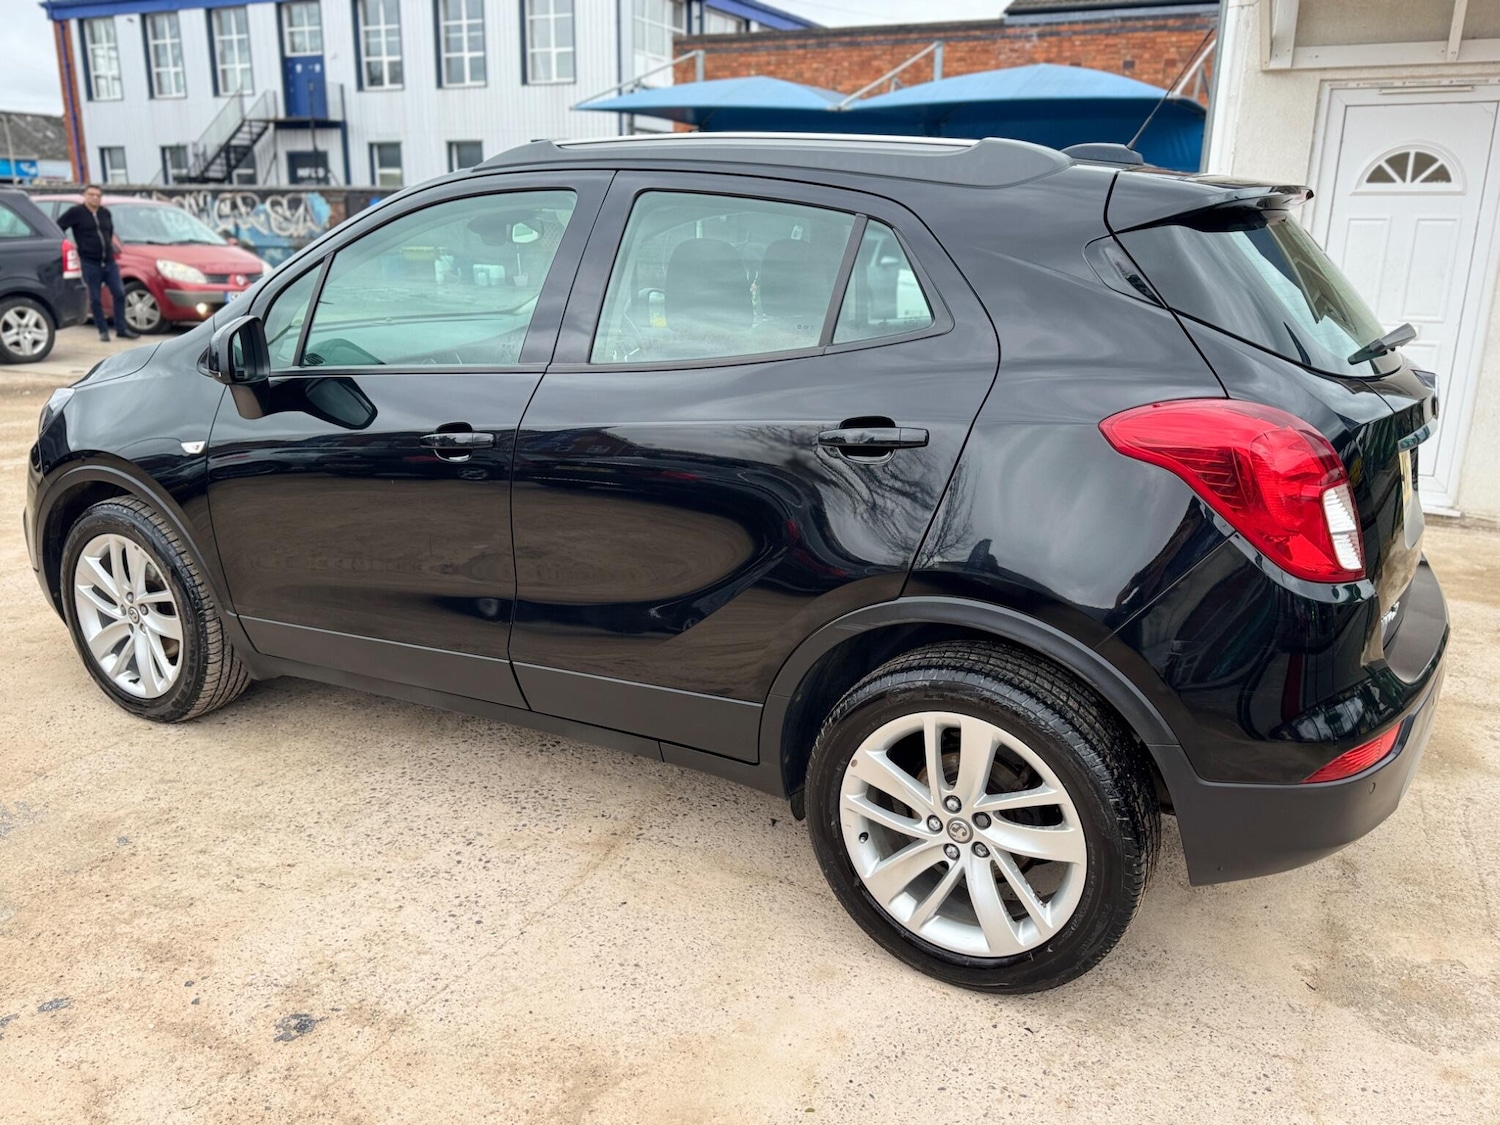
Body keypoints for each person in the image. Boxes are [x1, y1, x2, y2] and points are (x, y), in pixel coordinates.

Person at [57, 185, 138, 342]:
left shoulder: (105, 213)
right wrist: (70, 245)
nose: (95, 198)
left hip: (108, 262)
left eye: (98, 195)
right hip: (90, 262)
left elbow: (108, 233)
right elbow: (58, 227)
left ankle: (121, 328)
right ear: (84, 196)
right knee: (95, 298)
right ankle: (102, 330)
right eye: (91, 194)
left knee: (120, 292)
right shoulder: (76, 213)